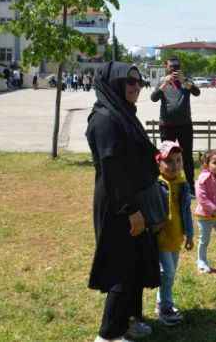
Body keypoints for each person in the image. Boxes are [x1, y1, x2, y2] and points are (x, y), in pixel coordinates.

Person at [86, 61, 164, 342]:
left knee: (137, 263)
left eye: (139, 82)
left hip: (134, 198)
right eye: (130, 82)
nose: (136, 87)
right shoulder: (105, 119)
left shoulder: (123, 114)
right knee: (122, 267)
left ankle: (128, 321)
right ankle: (108, 335)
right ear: (115, 84)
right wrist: (130, 210)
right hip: (119, 203)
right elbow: (113, 171)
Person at [153, 140, 194, 326]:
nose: (174, 166)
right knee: (167, 273)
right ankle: (165, 307)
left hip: (176, 236)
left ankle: (162, 302)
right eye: (168, 161)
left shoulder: (182, 184)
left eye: (178, 161)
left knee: (170, 273)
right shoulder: (155, 184)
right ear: (158, 163)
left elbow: (186, 211)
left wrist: (190, 235)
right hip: (160, 237)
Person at [151, 57, 201, 187]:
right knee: (166, 156)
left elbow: (197, 92)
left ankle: (190, 185)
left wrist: (184, 80)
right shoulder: (162, 81)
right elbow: (153, 98)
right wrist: (164, 84)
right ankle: (166, 184)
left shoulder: (186, 80)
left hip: (185, 124)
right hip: (167, 125)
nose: (174, 69)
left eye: (177, 66)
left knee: (187, 156)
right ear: (166, 66)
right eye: (171, 66)